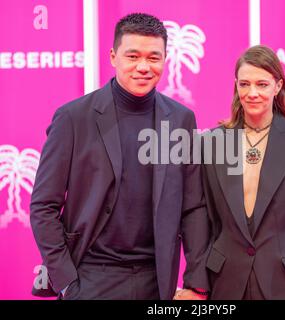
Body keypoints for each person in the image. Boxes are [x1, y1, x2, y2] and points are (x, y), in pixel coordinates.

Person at [30, 13, 210, 300]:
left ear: (165, 59)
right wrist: (67, 282)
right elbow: (43, 205)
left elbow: (193, 207)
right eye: (133, 56)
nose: (143, 67)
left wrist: (197, 283)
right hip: (90, 277)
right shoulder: (74, 118)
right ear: (113, 56)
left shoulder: (180, 119)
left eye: (154, 57)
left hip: (157, 279)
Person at [201, 45, 285, 300]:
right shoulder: (211, 143)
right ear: (236, 86)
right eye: (245, 84)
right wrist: (197, 284)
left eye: (262, 84)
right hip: (224, 282)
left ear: (277, 87)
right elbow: (204, 220)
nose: (252, 93)